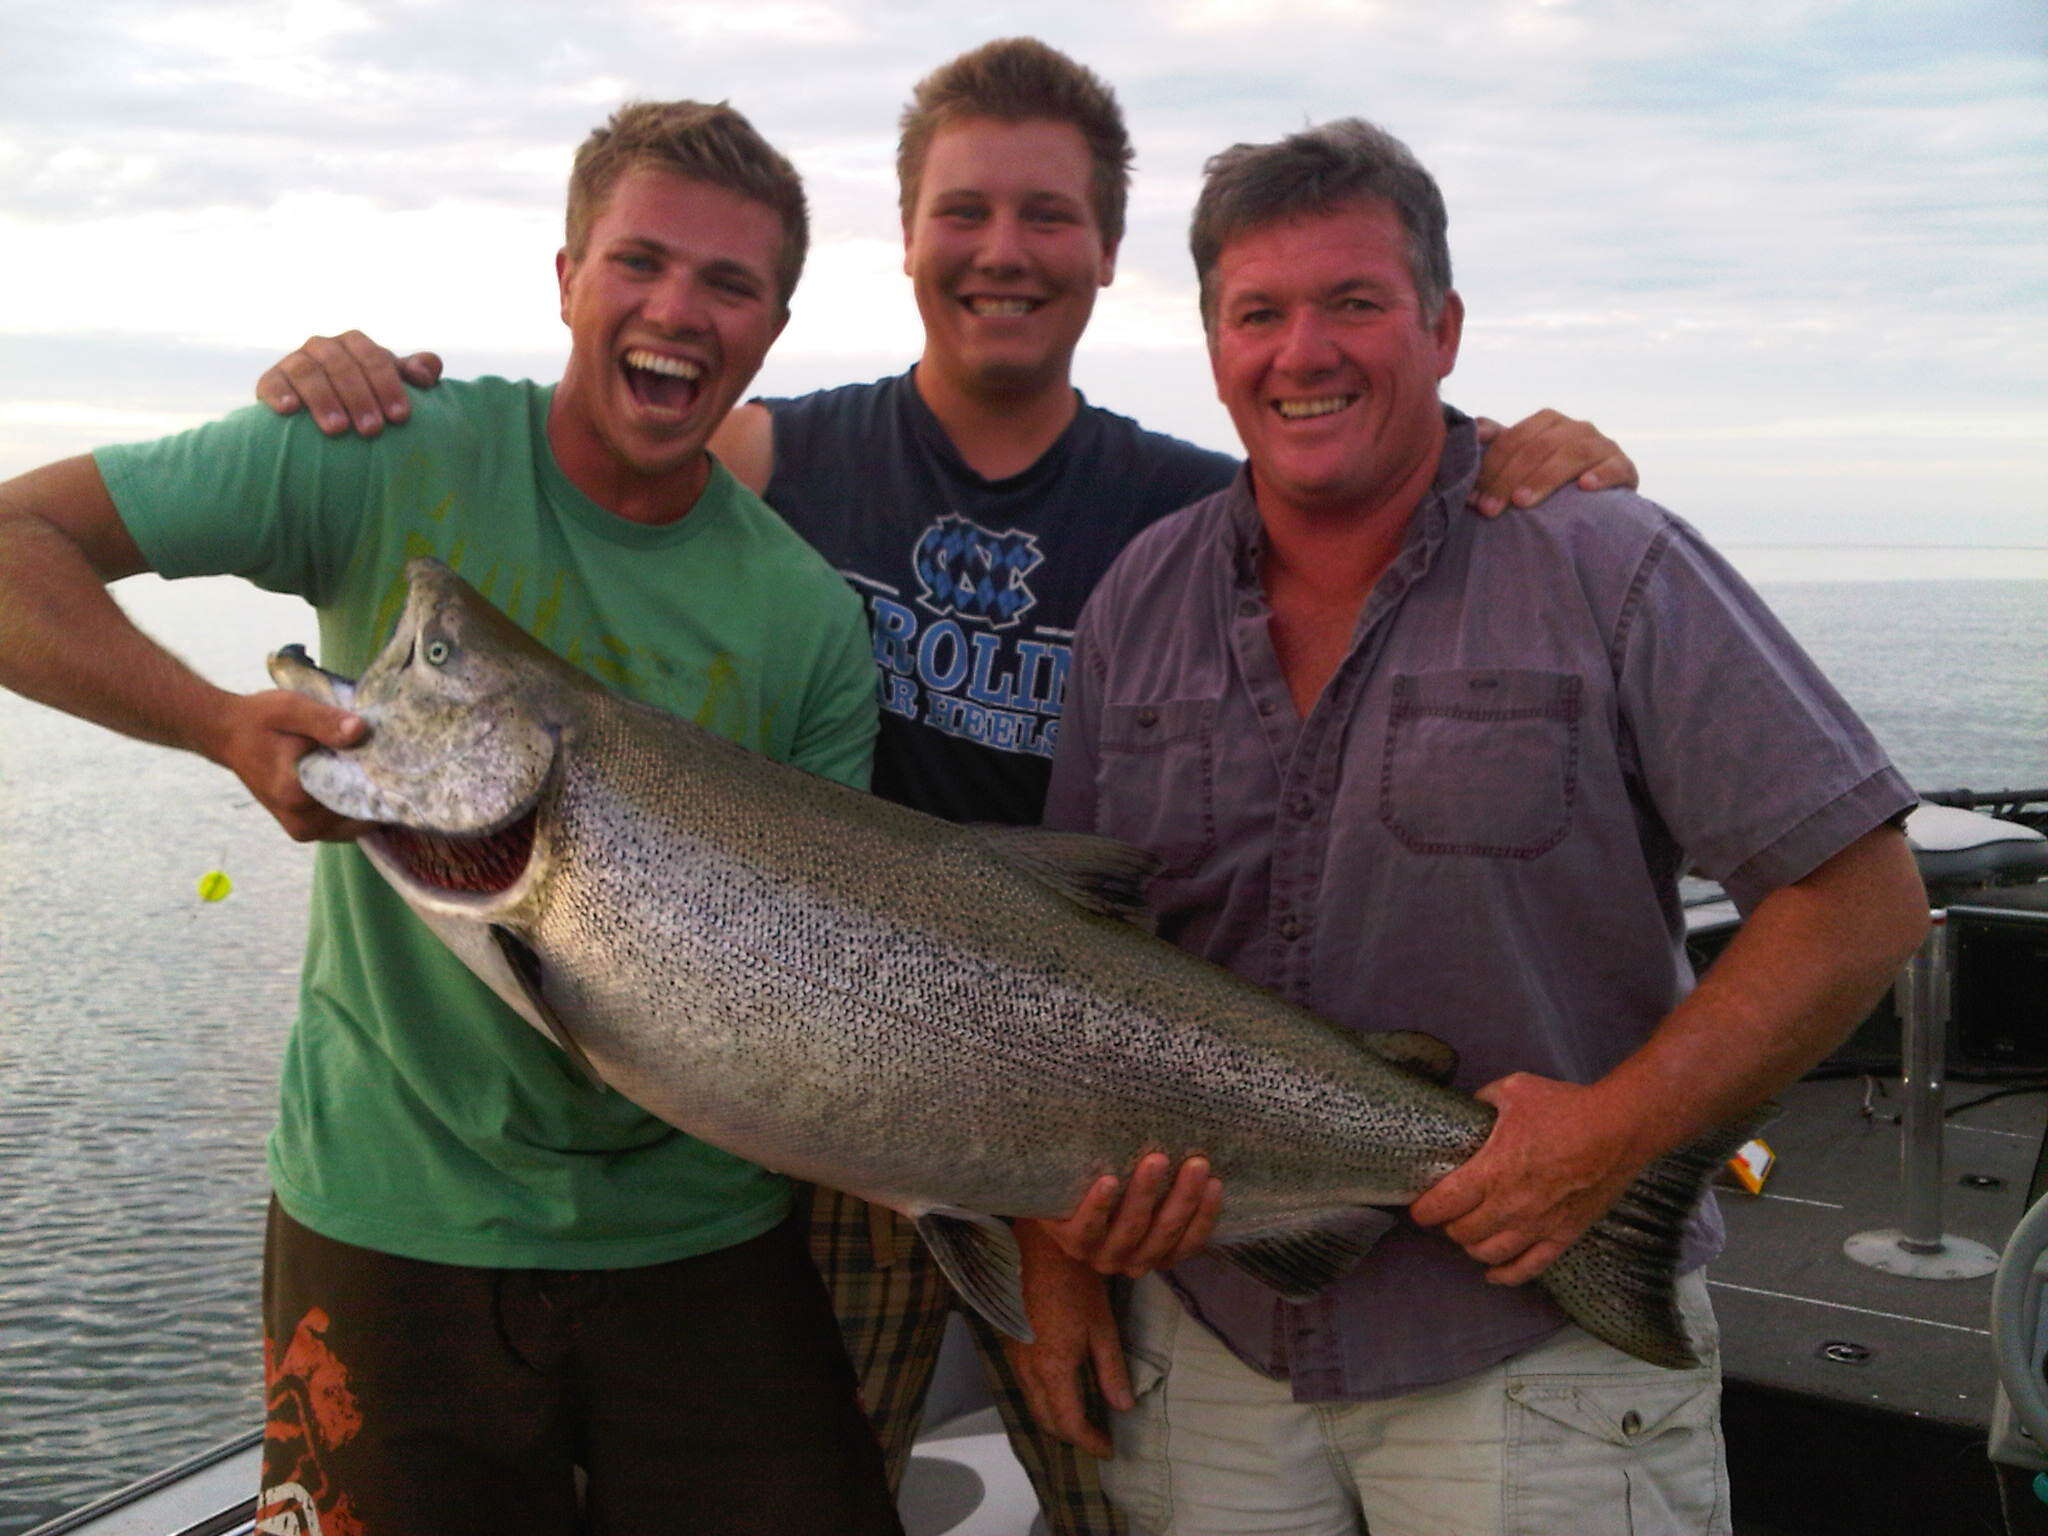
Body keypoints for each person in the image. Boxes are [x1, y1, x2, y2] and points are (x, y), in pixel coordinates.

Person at [250, 39, 1648, 1536]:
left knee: (1123, 1498)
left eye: (1047, 214)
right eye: (963, 211)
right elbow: (598, 455)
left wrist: (1528, 451)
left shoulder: (1192, 504)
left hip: (1100, 1081)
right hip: (809, 1068)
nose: (1003, 251)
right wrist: (342, 391)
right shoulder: (772, 455)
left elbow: (1362, 457)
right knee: (798, 1492)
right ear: (906, 238)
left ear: (1107, 251)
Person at [0, 101, 908, 1536]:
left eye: (729, 284)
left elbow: (830, 975)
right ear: (566, 277)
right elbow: (14, 546)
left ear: (774, 325)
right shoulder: (380, 448)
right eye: (640, 262)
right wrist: (222, 725)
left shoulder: (806, 622)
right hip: (388, 1223)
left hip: (701, 1240)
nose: (677, 310)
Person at [1028, 117, 1930, 1535]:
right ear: (1213, 344)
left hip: (1537, 1362)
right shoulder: (1137, 600)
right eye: (1259, 312)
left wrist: (1614, 1137)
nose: (1303, 351)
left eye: (1355, 303)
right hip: (1206, 1358)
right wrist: (1061, 1256)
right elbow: (1064, 965)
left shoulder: (1607, 561)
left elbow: (1863, 899)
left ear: (1443, 329)